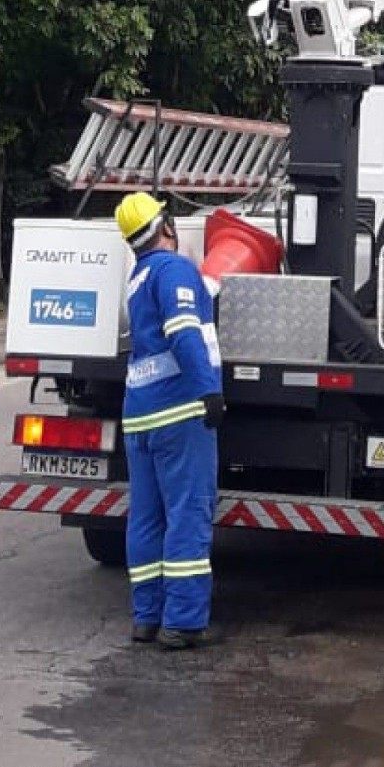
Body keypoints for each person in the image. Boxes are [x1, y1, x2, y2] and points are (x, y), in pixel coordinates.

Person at [114, 192, 224, 649]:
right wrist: (208, 390)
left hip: (139, 414)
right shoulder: (173, 269)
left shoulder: (139, 277)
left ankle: (146, 617)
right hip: (179, 412)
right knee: (187, 514)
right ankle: (182, 622)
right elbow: (182, 332)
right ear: (166, 226)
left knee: (146, 518)